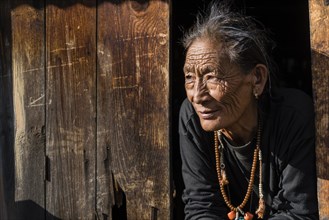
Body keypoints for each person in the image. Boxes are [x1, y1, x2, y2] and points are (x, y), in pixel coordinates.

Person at [178, 2, 319, 220]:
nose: (197, 95)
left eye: (212, 77)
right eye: (189, 77)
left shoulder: (293, 116)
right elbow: (200, 207)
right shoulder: (192, 118)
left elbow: (299, 213)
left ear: (257, 79)